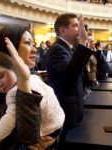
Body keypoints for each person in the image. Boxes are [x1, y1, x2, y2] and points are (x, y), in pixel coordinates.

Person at [0, 25, 64, 150]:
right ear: (9, 50)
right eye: (28, 43)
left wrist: (53, 137)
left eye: (33, 44)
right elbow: (28, 136)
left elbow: (51, 112)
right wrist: (23, 81)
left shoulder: (32, 78)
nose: (35, 49)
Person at [45, 13, 93, 148]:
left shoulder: (68, 48)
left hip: (74, 107)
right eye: (76, 26)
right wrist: (83, 43)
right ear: (62, 30)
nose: (80, 29)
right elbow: (70, 75)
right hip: (66, 110)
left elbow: (78, 71)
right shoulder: (57, 49)